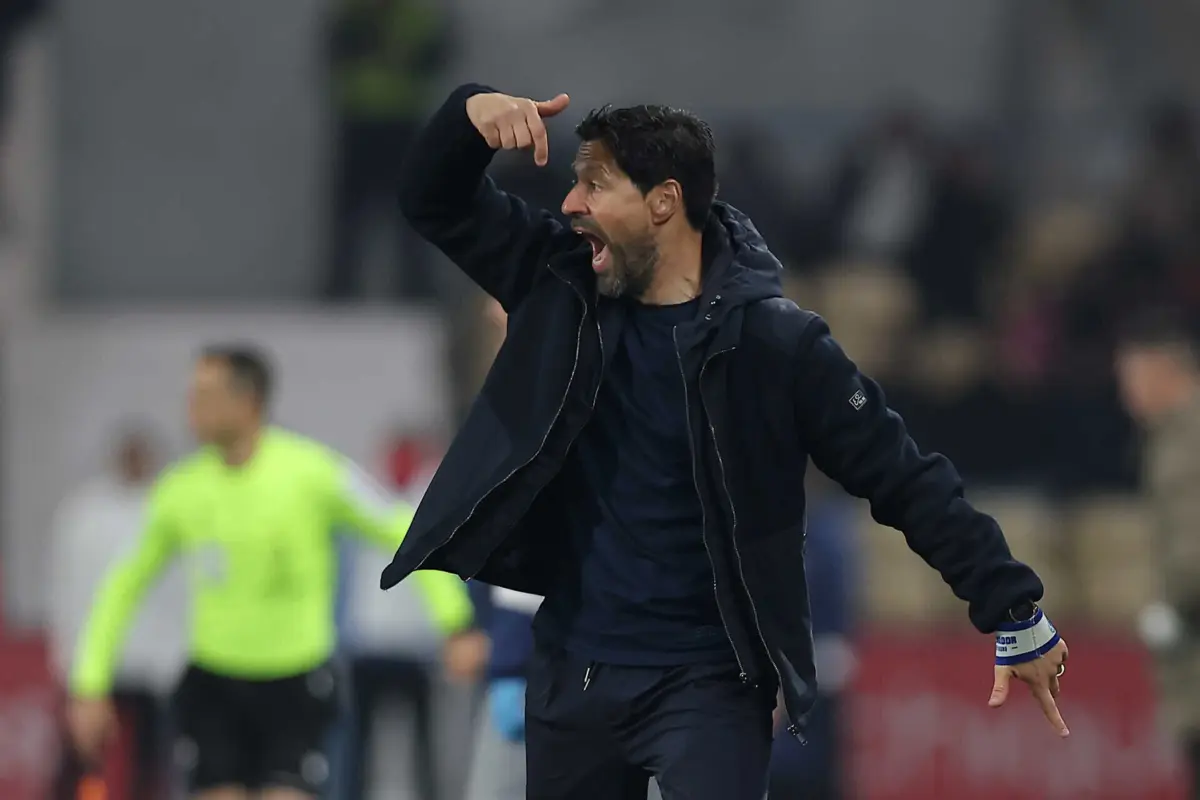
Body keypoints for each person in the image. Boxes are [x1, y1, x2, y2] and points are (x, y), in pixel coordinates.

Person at [380, 85, 1070, 800]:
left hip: (708, 686)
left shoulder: (779, 345)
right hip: (573, 674)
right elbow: (430, 200)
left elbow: (904, 479)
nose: (571, 205)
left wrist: (1012, 608)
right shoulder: (557, 283)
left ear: (663, 202)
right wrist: (467, 117)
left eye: (594, 184)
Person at [66, 344, 487, 800]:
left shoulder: (312, 473)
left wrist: (455, 622)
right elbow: (122, 585)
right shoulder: (180, 491)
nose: (190, 408)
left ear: (248, 402)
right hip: (214, 687)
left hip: (295, 685)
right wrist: (89, 683)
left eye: (204, 395)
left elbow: (404, 531)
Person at [47, 425, 187, 800]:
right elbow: (65, 586)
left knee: (155, 760)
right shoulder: (84, 513)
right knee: (80, 756)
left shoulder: (168, 508)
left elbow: (185, 593)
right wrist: (67, 656)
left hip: (157, 663)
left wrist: (179, 655)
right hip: (96, 662)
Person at [1114, 309, 1200, 798]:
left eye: (1131, 378)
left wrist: (1171, 609)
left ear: (1161, 370)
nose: (1127, 395)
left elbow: (1191, 549)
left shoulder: (1186, 443)